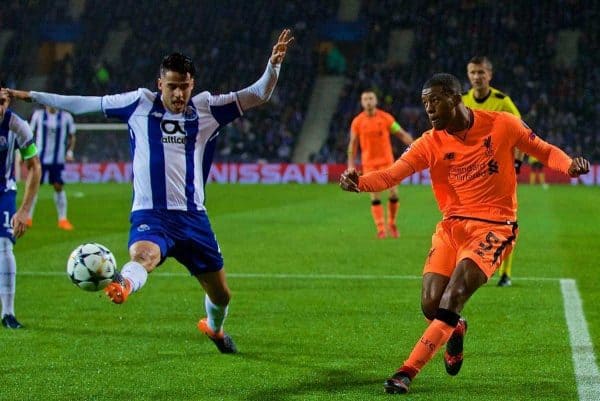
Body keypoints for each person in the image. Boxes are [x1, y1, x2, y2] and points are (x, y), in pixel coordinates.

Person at [3, 29, 294, 351]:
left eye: (184, 87)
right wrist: (29, 95)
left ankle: (214, 328)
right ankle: (124, 284)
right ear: (160, 85)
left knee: (222, 295)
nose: (179, 94)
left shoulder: (209, 108)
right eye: (172, 87)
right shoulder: (138, 103)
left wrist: (274, 66)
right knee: (145, 255)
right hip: (150, 213)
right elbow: (82, 104)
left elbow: (259, 94)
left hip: (193, 217)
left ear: (192, 85)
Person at [339, 73, 589, 394]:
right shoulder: (430, 142)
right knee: (432, 306)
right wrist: (359, 182)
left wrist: (568, 165)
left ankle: (406, 371)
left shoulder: (503, 124)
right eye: (424, 103)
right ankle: (456, 327)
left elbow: (543, 149)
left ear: (456, 98)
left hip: (494, 226)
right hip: (451, 227)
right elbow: (391, 174)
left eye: (435, 101)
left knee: (453, 296)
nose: (428, 109)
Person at [462, 56, 522, 287]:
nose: (477, 77)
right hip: (470, 174)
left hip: (499, 173)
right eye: (473, 72)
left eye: (481, 72)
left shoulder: (502, 101)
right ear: (468, 75)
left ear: (490, 75)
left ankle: (505, 273)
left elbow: (521, 133)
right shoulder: (462, 101)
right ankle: (471, 266)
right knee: (468, 222)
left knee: (505, 223)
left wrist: (516, 165)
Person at [0, 86, 42, 329]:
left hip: (4, 192)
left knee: (4, 245)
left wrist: (25, 210)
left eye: (3, 101)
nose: (0, 107)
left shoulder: (17, 125)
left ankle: (8, 313)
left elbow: (34, 166)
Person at [347, 89, 413, 239]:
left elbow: (401, 133)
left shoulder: (386, 118)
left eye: (371, 98)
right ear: (362, 102)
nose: (368, 101)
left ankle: (392, 224)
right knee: (375, 196)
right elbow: (353, 144)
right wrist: (351, 164)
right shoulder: (357, 122)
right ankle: (381, 229)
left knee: (394, 193)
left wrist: (416, 146)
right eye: (365, 99)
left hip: (387, 163)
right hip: (369, 164)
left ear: (376, 101)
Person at [28, 105, 76, 230]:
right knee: (35, 187)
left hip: (58, 158)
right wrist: (28, 154)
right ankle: (28, 217)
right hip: (40, 158)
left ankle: (63, 219)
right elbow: (30, 134)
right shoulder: (38, 115)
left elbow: (72, 136)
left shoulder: (66, 117)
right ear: (45, 103)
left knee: (58, 186)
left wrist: (69, 152)